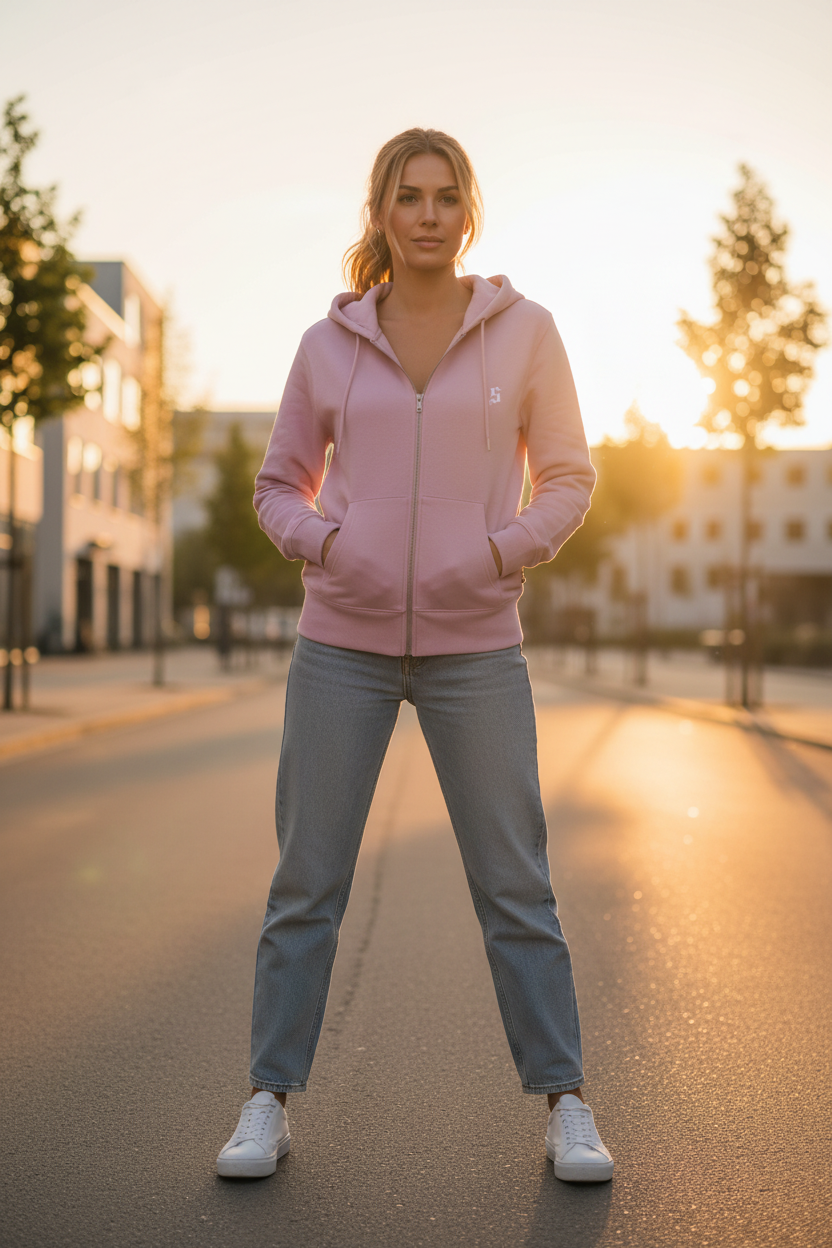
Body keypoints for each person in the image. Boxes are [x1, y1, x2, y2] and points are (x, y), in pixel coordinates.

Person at [216, 128, 613, 1184]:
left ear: (467, 211)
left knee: (516, 886)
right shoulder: (328, 343)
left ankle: (566, 1101)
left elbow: (569, 477)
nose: (428, 214)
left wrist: (498, 553)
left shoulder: (525, 332)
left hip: (476, 645)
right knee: (306, 883)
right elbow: (275, 487)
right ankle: (267, 1097)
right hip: (338, 645)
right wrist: (328, 545)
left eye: (445, 197)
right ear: (381, 213)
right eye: (409, 196)